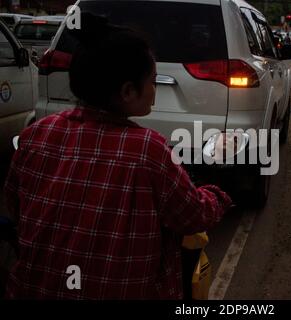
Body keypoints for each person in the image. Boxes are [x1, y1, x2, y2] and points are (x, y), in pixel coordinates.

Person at [3, 14, 232, 299]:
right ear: (127, 91)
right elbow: (193, 216)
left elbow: (16, 206)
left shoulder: (36, 134)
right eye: (152, 81)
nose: (154, 90)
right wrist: (218, 195)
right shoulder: (149, 150)